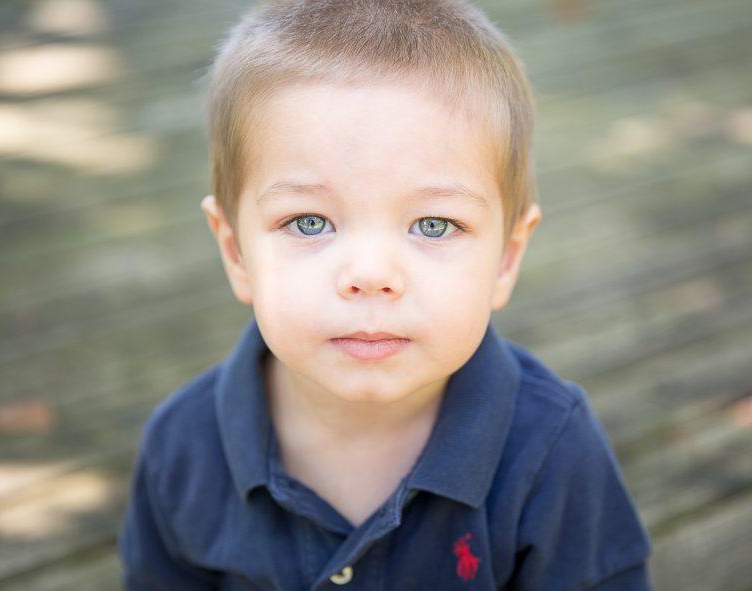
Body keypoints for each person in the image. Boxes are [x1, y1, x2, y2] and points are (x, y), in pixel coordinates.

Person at [117, 0, 652, 588]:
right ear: (236, 253)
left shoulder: (552, 452)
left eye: (434, 225)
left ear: (506, 258)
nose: (370, 275)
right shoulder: (183, 447)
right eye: (309, 222)